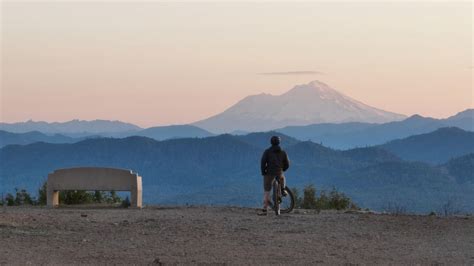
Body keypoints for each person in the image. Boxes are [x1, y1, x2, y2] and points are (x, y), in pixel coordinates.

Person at [259, 135, 290, 215]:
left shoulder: (267, 151)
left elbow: (263, 162)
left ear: (271, 142)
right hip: (279, 172)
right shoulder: (283, 152)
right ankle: (283, 189)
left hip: (269, 173)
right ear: (279, 142)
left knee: (267, 191)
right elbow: (287, 164)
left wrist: (263, 172)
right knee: (282, 177)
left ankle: (265, 209)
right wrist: (283, 170)